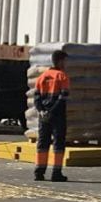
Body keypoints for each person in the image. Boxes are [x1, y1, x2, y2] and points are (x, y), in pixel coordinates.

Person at [33, 49, 70, 182]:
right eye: (65, 61)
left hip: (43, 116)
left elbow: (36, 97)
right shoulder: (62, 76)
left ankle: (39, 171)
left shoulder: (42, 77)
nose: (66, 64)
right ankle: (56, 172)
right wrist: (52, 111)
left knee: (43, 142)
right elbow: (63, 97)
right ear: (60, 61)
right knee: (58, 143)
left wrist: (42, 110)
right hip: (57, 115)